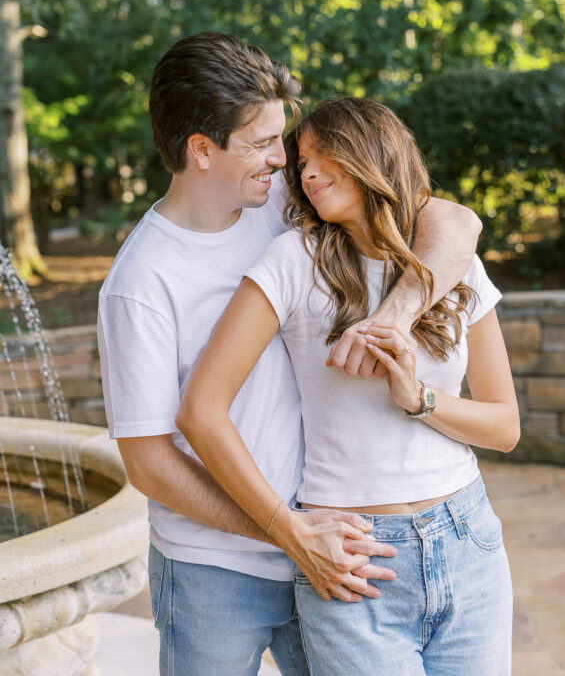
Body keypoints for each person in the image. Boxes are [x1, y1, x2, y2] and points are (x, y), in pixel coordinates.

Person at [97, 34, 482, 676]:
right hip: (213, 572)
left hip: (331, 553)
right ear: (201, 150)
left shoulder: (280, 204)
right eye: (261, 143)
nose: (283, 158)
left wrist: (394, 314)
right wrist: (285, 531)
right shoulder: (140, 284)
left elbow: (455, 221)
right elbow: (149, 463)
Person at [178, 96, 520, 676]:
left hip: (468, 541)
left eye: (322, 155)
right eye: (299, 161)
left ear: (372, 151)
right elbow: (200, 411)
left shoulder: (453, 265)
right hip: (356, 558)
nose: (305, 173)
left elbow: (505, 427)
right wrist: (285, 529)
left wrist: (420, 399)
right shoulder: (293, 260)